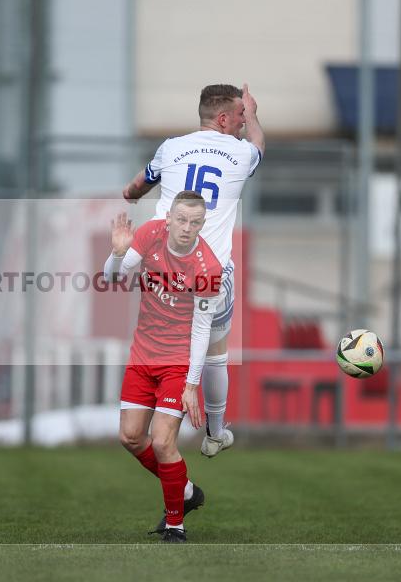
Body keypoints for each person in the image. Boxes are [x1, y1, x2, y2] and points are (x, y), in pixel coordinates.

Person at [121, 83, 264, 457]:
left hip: (159, 269)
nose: (243, 122)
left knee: (161, 343)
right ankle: (215, 433)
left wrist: (133, 194)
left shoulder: (170, 148)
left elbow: (134, 188)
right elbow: (260, 145)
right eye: (239, 116)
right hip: (208, 272)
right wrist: (256, 115)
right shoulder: (242, 152)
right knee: (215, 352)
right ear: (223, 118)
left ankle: (148, 417)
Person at [105, 190, 224, 543]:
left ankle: (175, 526)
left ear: (203, 224)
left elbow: (202, 329)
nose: (187, 228)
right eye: (182, 220)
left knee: (161, 442)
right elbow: (112, 277)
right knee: (129, 436)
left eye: (196, 222)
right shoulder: (150, 234)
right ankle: (186, 490)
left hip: (176, 363)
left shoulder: (209, 268)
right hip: (142, 356)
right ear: (169, 218)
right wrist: (117, 253)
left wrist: (191, 383)